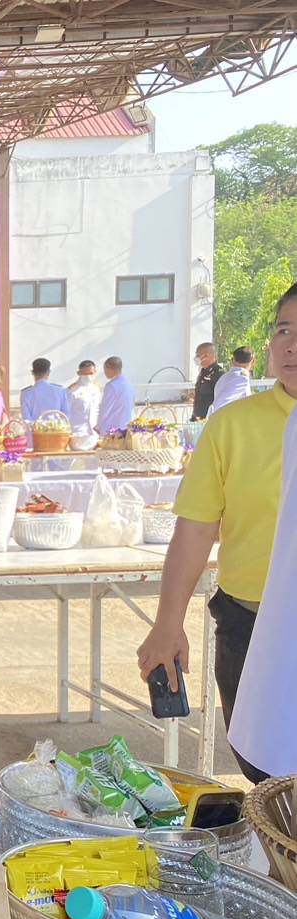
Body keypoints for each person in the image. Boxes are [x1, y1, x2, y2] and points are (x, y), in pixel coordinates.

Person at [138, 285, 297, 784]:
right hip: (250, 623)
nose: (291, 344)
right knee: (263, 767)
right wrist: (168, 623)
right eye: (284, 330)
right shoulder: (232, 426)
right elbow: (195, 528)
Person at [228, 299, 297, 780]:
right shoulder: (249, 422)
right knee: (271, 779)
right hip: (263, 623)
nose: (290, 344)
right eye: (283, 329)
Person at [20, 358, 71, 425]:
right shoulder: (60, 391)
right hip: (57, 432)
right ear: (49, 373)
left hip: (35, 433)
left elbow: (26, 419)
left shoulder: (26, 393)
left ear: (33, 373)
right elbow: (66, 415)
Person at [95, 356, 135, 434]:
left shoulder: (112, 386)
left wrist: (98, 427)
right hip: (127, 427)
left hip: (112, 429)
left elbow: (105, 409)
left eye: (105, 369)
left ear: (109, 368)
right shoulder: (128, 383)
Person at [67, 359, 102, 447]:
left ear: (95, 372)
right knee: (69, 458)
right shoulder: (72, 390)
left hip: (93, 431)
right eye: (85, 374)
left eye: (90, 373)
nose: (88, 376)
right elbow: (66, 412)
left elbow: (97, 409)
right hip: (77, 431)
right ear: (78, 373)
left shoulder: (96, 389)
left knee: (93, 459)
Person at [211, 346, 255, 413]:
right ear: (253, 362)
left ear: (233, 360)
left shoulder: (226, 376)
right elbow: (219, 404)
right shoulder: (241, 379)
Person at [191, 342, 224, 421]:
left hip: (210, 419)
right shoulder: (203, 371)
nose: (196, 358)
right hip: (198, 417)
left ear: (206, 355)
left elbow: (219, 397)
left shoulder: (218, 373)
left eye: (198, 355)